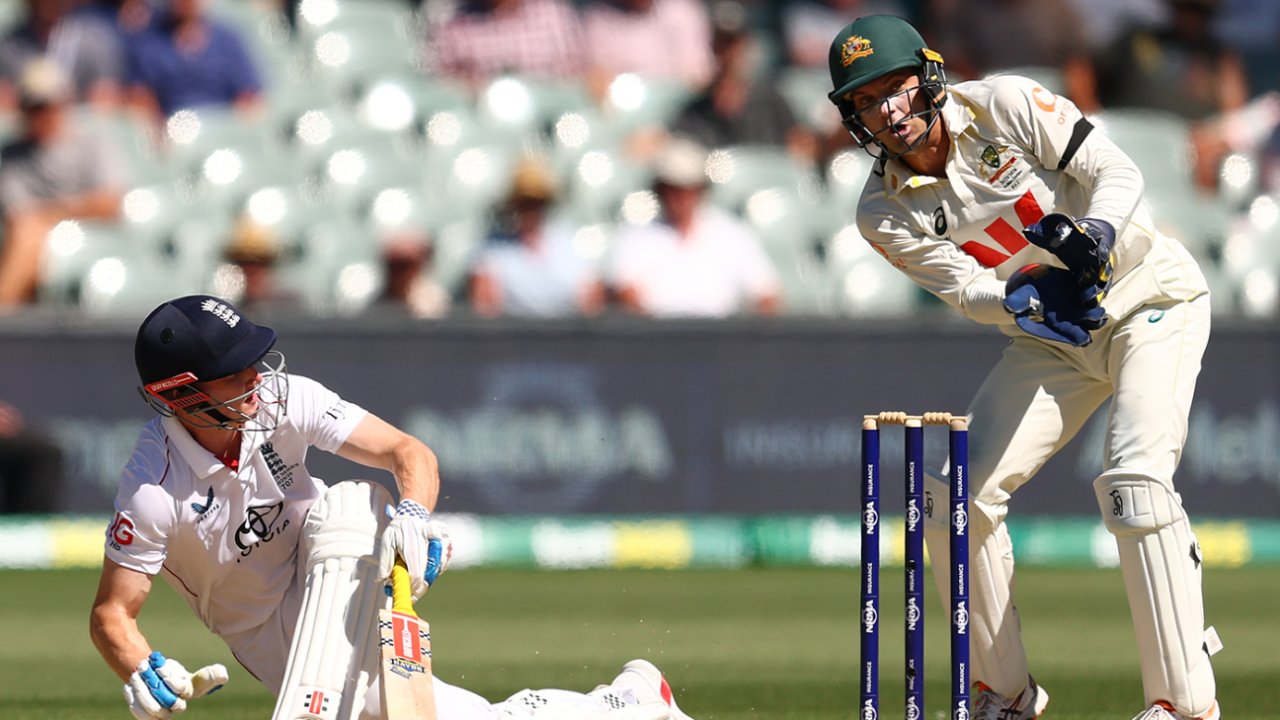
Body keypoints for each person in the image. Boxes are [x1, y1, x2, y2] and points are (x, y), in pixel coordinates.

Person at [827, 15, 1219, 720]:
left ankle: (1184, 707)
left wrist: (1096, 235)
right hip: (1050, 335)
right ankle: (1003, 695)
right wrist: (1018, 297)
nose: (886, 109)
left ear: (929, 76)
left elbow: (1114, 168)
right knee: (951, 500)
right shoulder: (880, 210)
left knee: (1134, 482)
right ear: (852, 116)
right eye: (866, 99)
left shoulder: (1001, 104)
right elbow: (963, 290)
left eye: (896, 87)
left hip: (1147, 297)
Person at [89, 294, 699, 720]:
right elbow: (113, 615)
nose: (257, 376)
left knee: (353, 503)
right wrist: (142, 669)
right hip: (265, 631)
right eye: (234, 372)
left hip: (338, 559)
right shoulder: (153, 490)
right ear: (182, 394)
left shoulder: (286, 400)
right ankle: (628, 703)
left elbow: (407, 453)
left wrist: (412, 516)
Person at [0, 58, 126, 309]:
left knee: (30, 235)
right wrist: (77, 207)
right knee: (28, 236)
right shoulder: (12, 156)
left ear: (63, 103)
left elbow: (109, 204)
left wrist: (54, 213)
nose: (44, 113)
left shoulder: (93, 143)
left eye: (48, 104)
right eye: (35, 106)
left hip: (93, 234)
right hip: (34, 237)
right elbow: (19, 216)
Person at [609, 137, 781, 317]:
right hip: (655, 341)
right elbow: (624, 293)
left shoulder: (731, 233)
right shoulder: (636, 236)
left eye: (687, 189)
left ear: (700, 190)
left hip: (721, 340)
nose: (680, 198)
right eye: (672, 188)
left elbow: (766, 294)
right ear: (660, 190)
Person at [670, 1, 818, 163]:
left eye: (733, 43)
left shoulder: (772, 102)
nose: (728, 52)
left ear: (745, 45)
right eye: (722, 43)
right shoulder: (695, 111)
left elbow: (799, 143)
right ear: (712, 45)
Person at [469, 157, 604, 317]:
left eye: (537, 203)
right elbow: (486, 307)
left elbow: (592, 301)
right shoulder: (492, 250)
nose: (531, 211)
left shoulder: (571, 242)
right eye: (524, 203)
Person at [125, 0, 264, 125]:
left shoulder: (227, 40)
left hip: (222, 125)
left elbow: (249, 93)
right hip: (175, 130)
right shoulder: (150, 44)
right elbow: (141, 97)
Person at [0, 0, 127, 111]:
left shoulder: (95, 41)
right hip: (26, 130)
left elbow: (107, 97)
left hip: (77, 130)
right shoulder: (9, 45)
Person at [426, 0, 586, 87]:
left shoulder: (553, 13)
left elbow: (578, 73)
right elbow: (440, 84)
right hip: (483, 121)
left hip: (544, 122)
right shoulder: (455, 21)